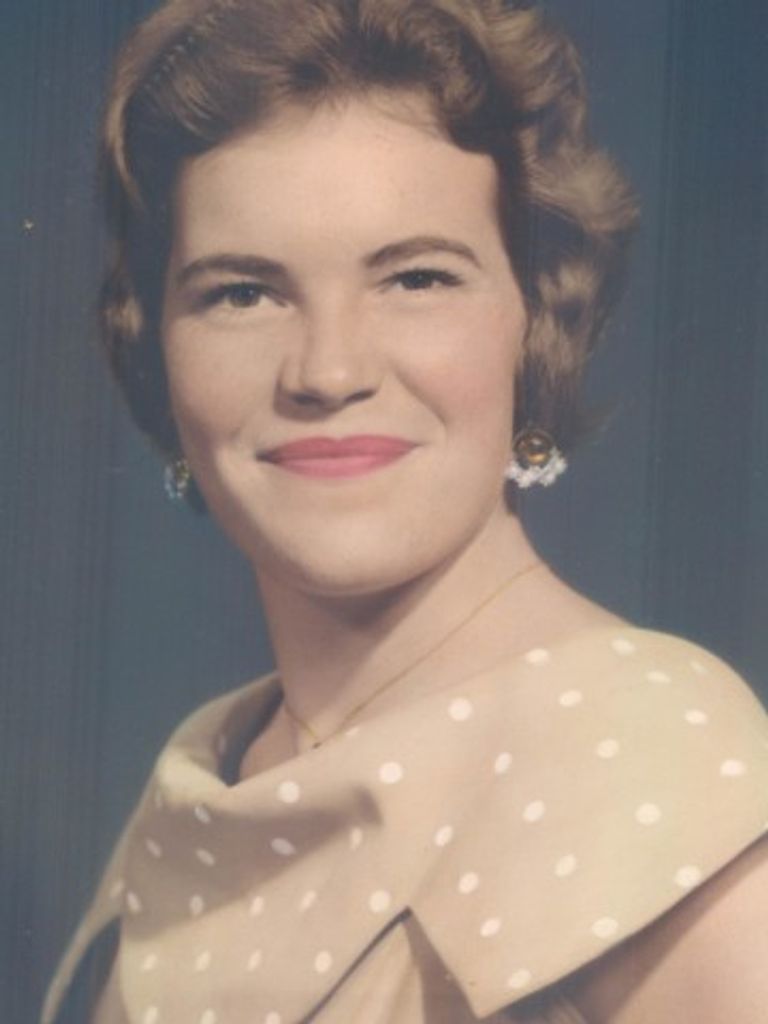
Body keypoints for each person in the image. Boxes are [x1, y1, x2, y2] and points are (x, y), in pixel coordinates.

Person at [43, 0, 768, 1021]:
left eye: (416, 278)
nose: (327, 370)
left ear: (535, 321)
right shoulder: (208, 766)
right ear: (156, 346)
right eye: (243, 293)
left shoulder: (658, 757)